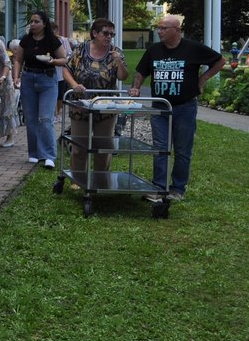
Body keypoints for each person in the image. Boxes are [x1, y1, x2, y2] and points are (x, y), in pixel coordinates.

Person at [130, 14, 226, 201]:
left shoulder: (193, 48)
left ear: (177, 30)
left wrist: (204, 78)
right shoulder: (154, 50)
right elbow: (141, 71)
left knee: (182, 150)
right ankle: (158, 187)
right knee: (160, 148)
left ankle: (177, 189)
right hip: (160, 107)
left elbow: (220, 61)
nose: (160, 31)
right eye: (159, 28)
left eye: (164, 28)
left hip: (184, 107)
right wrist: (135, 87)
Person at [62, 18, 129, 172]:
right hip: (80, 105)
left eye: (111, 34)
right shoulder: (80, 50)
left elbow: (122, 77)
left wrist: (119, 62)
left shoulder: (116, 52)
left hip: (106, 107)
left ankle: (101, 179)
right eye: (105, 33)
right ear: (94, 33)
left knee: (103, 146)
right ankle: (78, 178)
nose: (109, 37)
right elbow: (66, 69)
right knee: (79, 146)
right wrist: (74, 85)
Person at [12, 10, 67, 169]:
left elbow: (63, 59)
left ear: (44, 24)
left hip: (47, 79)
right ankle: (34, 153)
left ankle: (49, 155)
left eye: (36, 21)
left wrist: (52, 61)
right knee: (30, 118)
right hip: (28, 78)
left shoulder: (52, 40)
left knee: (45, 118)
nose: (33, 24)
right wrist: (16, 76)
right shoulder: (26, 40)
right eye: (32, 21)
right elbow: (18, 60)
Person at [0, 34, 19, 147]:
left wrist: (3, 76)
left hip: (3, 81)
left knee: (7, 109)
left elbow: (7, 62)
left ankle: (10, 137)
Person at [52, 22, 72, 123]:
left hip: (61, 71)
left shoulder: (63, 40)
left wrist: (64, 60)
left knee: (60, 94)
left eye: (54, 30)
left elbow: (69, 54)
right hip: (50, 70)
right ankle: (53, 113)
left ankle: (58, 112)